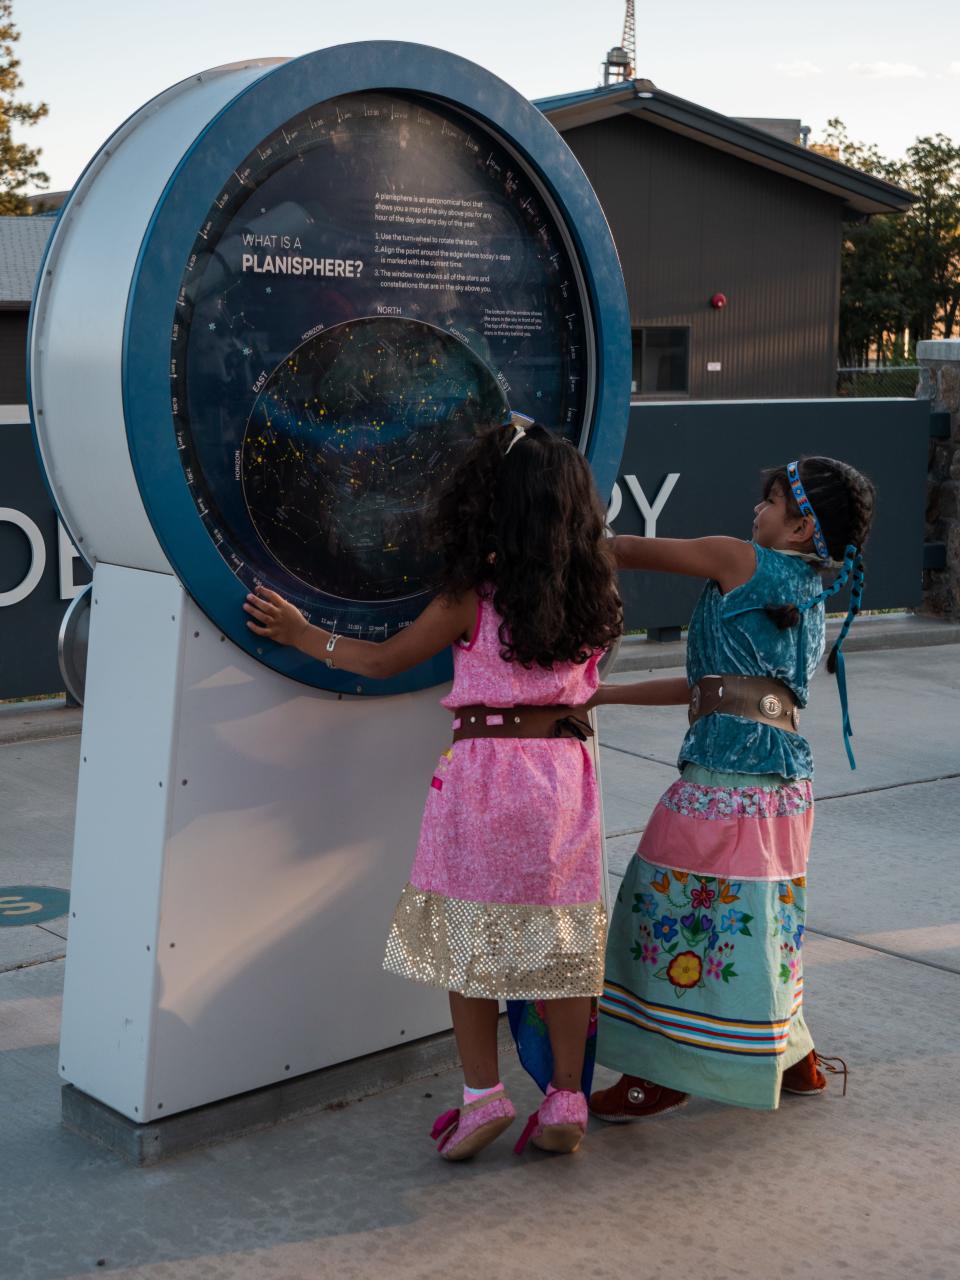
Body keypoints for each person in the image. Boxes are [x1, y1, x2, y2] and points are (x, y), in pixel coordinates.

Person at [243, 420, 622, 1159]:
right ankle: (567, 1096)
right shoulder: (595, 594)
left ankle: (482, 1095)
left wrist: (300, 634)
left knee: (470, 939)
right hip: (564, 776)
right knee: (564, 941)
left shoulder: (471, 598)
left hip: (486, 774)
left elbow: (382, 661)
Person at [588, 455, 875, 1122]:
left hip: (726, 786)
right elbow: (716, 694)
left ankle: (661, 1071)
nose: (757, 511)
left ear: (801, 527)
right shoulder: (807, 594)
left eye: (771, 502)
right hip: (784, 790)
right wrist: (600, 692)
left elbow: (621, 549)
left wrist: (543, 532)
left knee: (667, 917)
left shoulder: (735, 559)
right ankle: (791, 1053)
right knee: (762, 924)